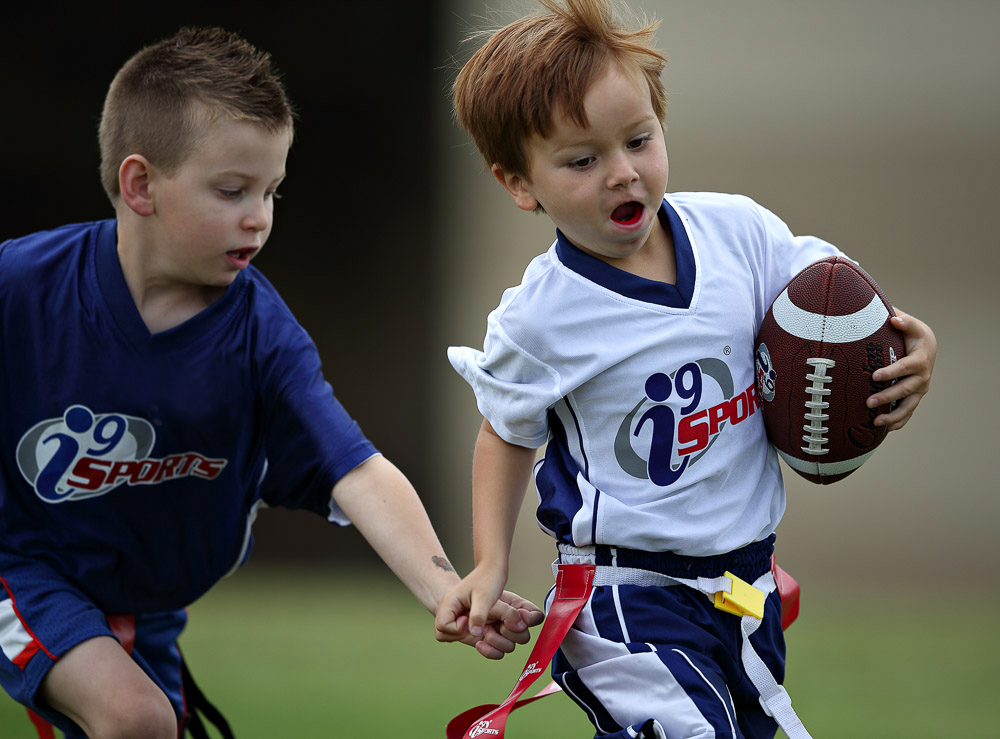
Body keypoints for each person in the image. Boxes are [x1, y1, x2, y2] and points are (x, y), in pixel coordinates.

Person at [0, 26, 542, 739]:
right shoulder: (23, 289)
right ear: (140, 185)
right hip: (21, 565)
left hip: (149, 606)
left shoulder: (260, 334)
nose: (259, 216)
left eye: (271, 190)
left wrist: (448, 587)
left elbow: (358, 470)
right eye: (231, 190)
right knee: (135, 718)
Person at [434, 1, 936, 737]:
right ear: (519, 182)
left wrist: (906, 347)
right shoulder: (541, 317)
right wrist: (488, 562)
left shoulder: (740, 233)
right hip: (625, 594)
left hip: (743, 588)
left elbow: (836, 300)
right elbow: (504, 432)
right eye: (582, 160)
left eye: (639, 139)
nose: (623, 172)